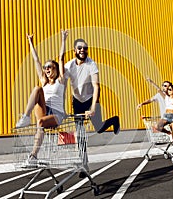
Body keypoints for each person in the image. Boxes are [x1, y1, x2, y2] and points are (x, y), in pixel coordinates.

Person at [16, 30, 68, 165]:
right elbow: (36, 60)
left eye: (49, 67)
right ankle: (26, 117)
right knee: (37, 89)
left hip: (56, 114)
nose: (47, 69)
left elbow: (61, 57)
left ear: (55, 69)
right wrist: (30, 42)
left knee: (41, 123)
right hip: (45, 110)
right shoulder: (44, 82)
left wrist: (63, 39)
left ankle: (33, 155)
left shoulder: (61, 81)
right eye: (45, 68)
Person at [64, 38, 120, 135]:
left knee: (99, 128)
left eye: (85, 48)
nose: (82, 50)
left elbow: (96, 86)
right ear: (74, 50)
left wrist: (93, 107)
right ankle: (82, 151)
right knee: (79, 130)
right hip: (77, 100)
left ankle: (114, 120)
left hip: (90, 99)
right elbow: (62, 86)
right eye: (79, 48)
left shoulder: (91, 64)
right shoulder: (69, 65)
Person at [146, 78, 173, 167]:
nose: (168, 90)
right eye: (167, 89)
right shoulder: (166, 97)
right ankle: (168, 132)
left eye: (170, 89)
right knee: (157, 126)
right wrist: (152, 82)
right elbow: (159, 90)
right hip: (166, 116)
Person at [137, 80, 173, 150]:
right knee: (172, 135)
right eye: (164, 86)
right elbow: (150, 100)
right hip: (165, 118)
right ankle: (172, 138)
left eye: (168, 86)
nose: (166, 87)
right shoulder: (159, 95)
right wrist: (142, 104)